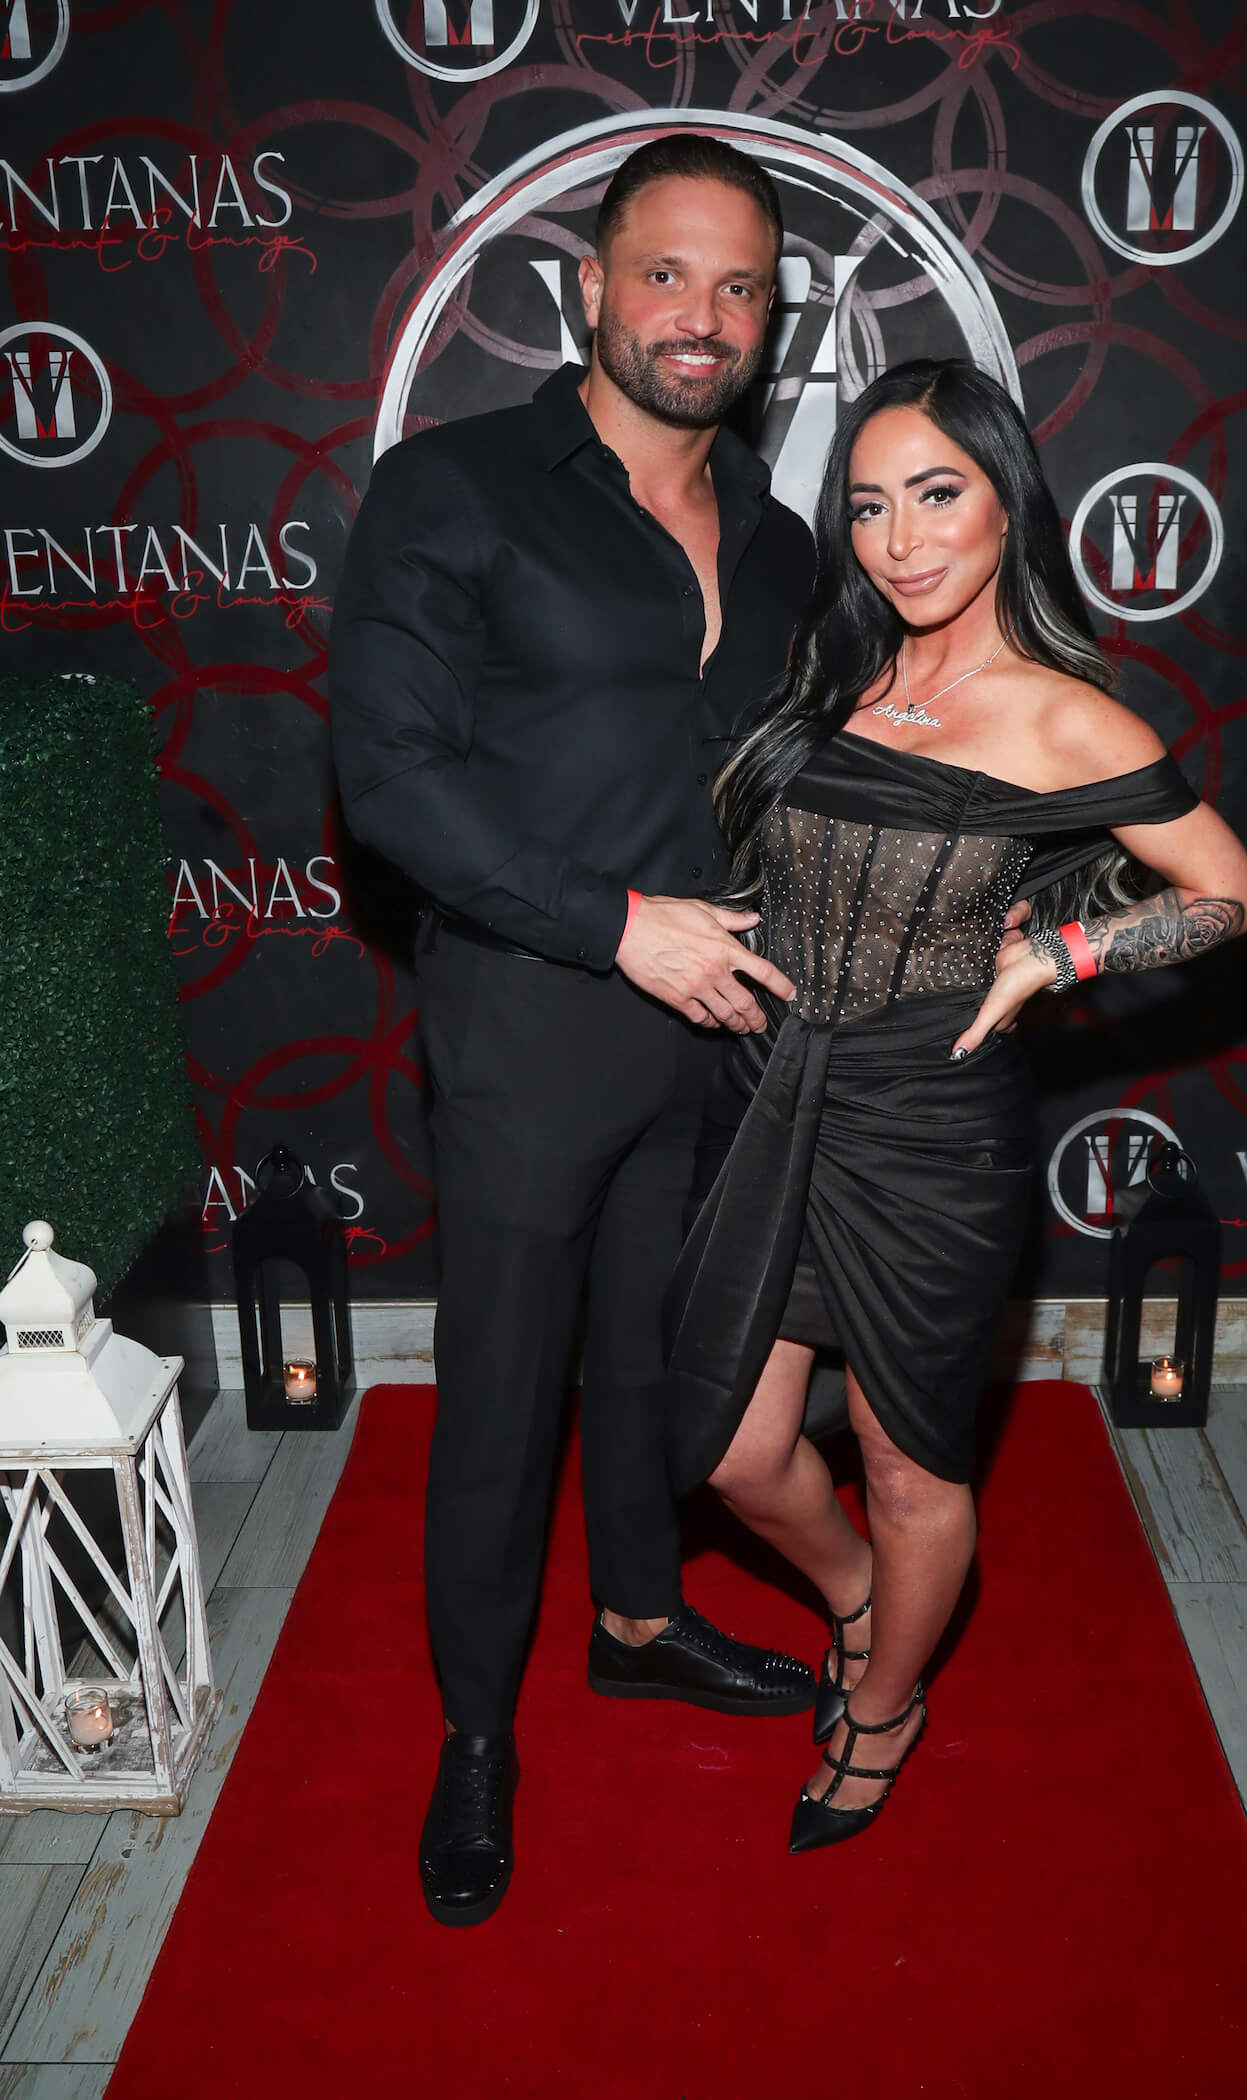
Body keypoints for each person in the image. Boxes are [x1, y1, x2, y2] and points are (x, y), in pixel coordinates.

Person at [665, 357, 1247, 1854]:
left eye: (937, 495)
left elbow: (1230, 892)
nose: (901, 539)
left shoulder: (1067, 719)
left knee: (906, 1459)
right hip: (771, 1097)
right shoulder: (832, 669)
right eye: (869, 506)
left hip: (934, 1128)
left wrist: (1065, 953)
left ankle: (886, 1711)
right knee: (734, 1449)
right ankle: (858, 1599)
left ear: (1007, 501)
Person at [330, 134, 824, 1930]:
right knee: (502, 1394)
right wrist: (619, 925)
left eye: (741, 287)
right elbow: (391, 779)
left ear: (772, 322)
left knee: (649, 1359)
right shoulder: (455, 488)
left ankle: (639, 1617)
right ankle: (477, 1732)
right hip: (534, 1017)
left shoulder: (781, 543)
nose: (703, 315)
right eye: (668, 274)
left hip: (716, 1024)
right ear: (593, 287)